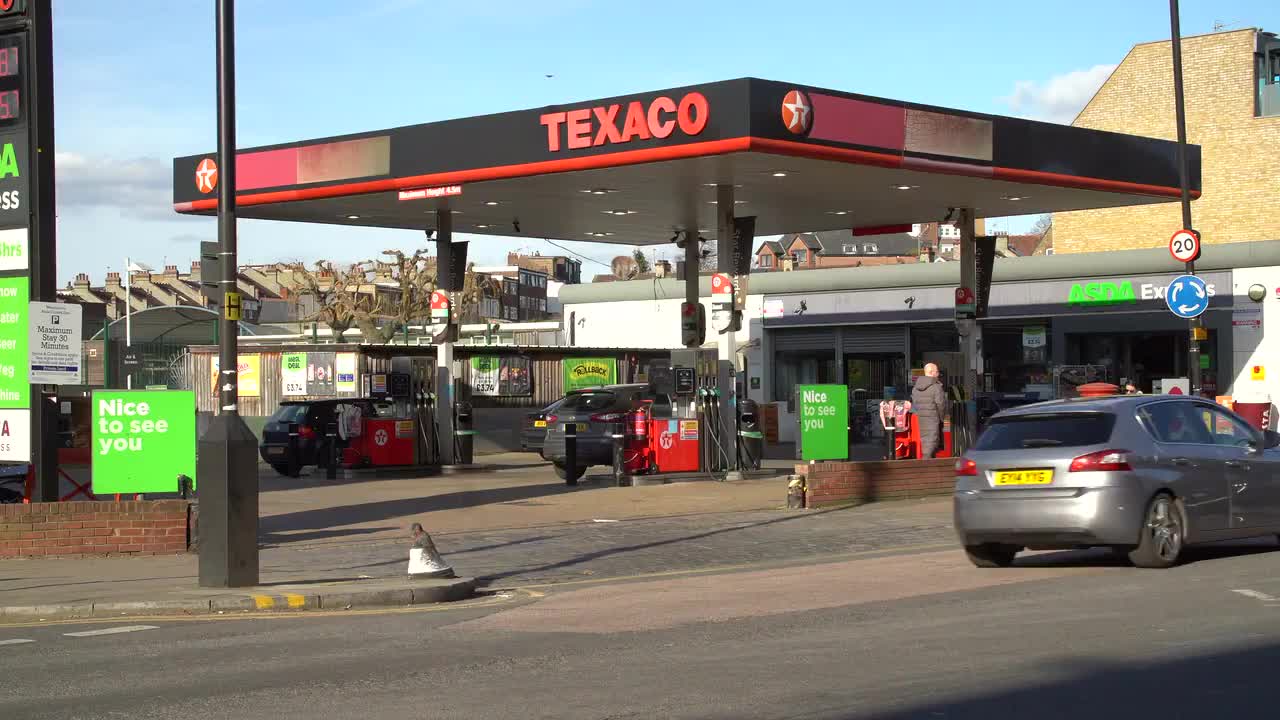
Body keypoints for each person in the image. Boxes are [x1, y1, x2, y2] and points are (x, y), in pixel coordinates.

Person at [911, 363, 948, 459]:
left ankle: (926, 465)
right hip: (933, 419)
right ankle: (926, 467)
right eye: (937, 371)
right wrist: (941, 418)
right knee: (931, 445)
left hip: (920, 420)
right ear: (932, 372)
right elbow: (941, 405)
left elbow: (914, 403)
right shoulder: (937, 387)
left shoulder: (915, 388)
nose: (938, 374)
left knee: (924, 444)